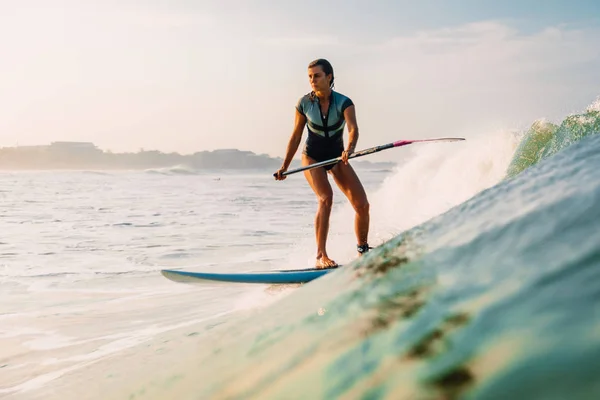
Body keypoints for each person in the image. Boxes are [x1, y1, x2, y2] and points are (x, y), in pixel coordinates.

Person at [274, 58, 370, 269]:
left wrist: (349, 150)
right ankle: (320, 255)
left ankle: (363, 250)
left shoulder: (344, 102)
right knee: (326, 198)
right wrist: (285, 166)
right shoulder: (304, 104)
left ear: (329, 77)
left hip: (337, 156)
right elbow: (296, 136)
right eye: (309, 77)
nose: (312, 80)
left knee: (362, 205)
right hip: (313, 157)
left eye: (316, 76)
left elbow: (353, 129)